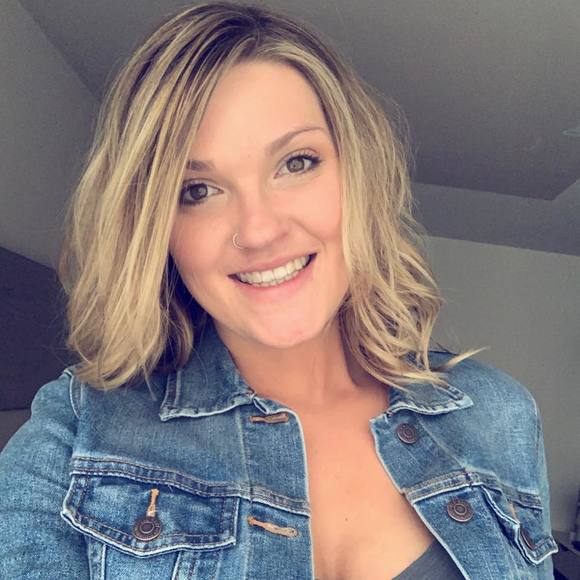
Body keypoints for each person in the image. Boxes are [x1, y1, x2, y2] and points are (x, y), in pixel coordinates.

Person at [0, 1, 557, 578]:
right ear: (156, 228)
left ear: (357, 174)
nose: (260, 231)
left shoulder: (499, 414)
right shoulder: (77, 432)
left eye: (296, 162)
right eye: (197, 190)